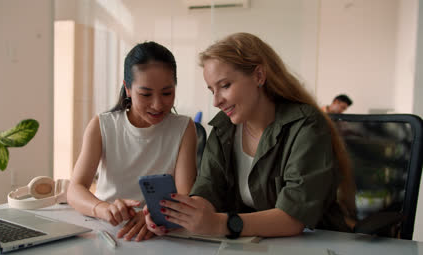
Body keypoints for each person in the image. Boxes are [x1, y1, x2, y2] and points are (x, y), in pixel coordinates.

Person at [145, 32, 356, 238]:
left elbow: (293, 218)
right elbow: (209, 189)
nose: (216, 101)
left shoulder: (305, 125)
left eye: (225, 86)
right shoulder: (223, 128)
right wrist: (181, 216)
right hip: (256, 244)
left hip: (317, 243)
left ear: (259, 76)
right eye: (212, 90)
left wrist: (219, 223)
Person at [67, 41, 197, 242]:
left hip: (160, 231)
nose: (157, 104)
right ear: (127, 88)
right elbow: (75, 189)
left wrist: (151, 216)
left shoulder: (184, 128)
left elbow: (184, 196)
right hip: (106, 229)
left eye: (167, 93)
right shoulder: (102, 125)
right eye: (145, 94)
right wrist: (104, 209)